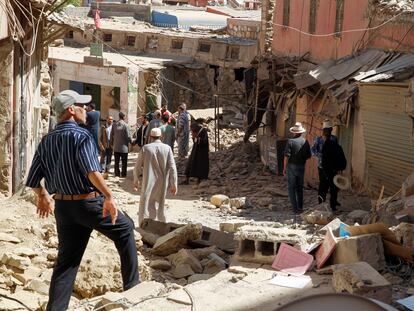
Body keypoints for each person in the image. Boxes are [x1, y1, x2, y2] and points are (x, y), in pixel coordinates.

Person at [25, 90, 139, 311]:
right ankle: (134, 291)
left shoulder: (46, 140)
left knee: (66, 263)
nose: (86, 109)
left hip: (64, 208)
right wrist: (109, 196)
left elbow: (32, 180)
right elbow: (92, 173)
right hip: (87, 204)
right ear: (70, 109)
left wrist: (43, 196)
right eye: (82, 105)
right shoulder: (82, 136)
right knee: (125, 229)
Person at [133, 128, 178, 226]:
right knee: (160, 204)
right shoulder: (167, 148)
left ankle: (144, 225)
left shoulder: (145, 148)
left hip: (148, 180)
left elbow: (137, 166)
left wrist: (136, 181)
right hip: (162, 182)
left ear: (150, 136)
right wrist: (174, 184)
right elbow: (173, 167)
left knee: (145, 203)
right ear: (161, 136)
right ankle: (160, 225)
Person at [283, 122, 311, 214]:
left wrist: (284, 168)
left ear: (294, 132)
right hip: (301, 166)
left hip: (291, 167)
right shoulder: (305, 142)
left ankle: (295, 209)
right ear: (301, 132)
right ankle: (300, 207)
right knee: (299, 187)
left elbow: (286, 156)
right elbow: (308, 156)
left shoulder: (290, 141)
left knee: (291, 188)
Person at [311, 120, 340, 208]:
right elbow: (312, 150)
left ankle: (333, 203)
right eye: (327, 129)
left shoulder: (334, 139)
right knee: (323, 185)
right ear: (324, 130)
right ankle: (321, 202)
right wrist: (320, 156)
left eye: (330, 129)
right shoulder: (318, 139)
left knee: (333, 185)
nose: (328, 131)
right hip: (322, 166)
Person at [319, 129, 347, 212]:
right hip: (335, 171)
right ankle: (333, 206)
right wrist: (341, 168)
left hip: (326, 171)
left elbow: (324, 161)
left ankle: (321, 204)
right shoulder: (337, 146)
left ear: (324, 136)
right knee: (334, 189)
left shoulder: (325, 146)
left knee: (323, 188)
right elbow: (343, 159)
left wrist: (324, 169)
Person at [110, 112, 131, 178]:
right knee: (124, 162)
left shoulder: (114, 124)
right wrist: (131, 142)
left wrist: (111, 143)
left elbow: (111, 135)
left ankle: (117, 173)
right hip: (124, 147)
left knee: (117, 161)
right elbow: (128, 136)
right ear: (124, 117)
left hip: (116, 146)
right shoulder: (126, 125)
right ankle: (123, 174)